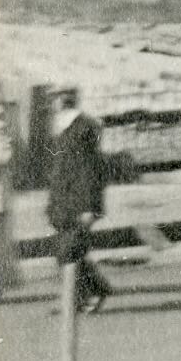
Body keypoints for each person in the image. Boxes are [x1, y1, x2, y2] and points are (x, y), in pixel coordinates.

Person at [44, 93, 113, 313]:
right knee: (69, 251)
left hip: (78, 203)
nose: (52, 102)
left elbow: (88, 172)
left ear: (64, 99)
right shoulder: (64, 126)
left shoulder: (81, 129)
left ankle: (88, 294)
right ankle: (85, 295)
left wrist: (88, 207)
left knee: (69, 250)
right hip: (64, 201)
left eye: (56, 96)